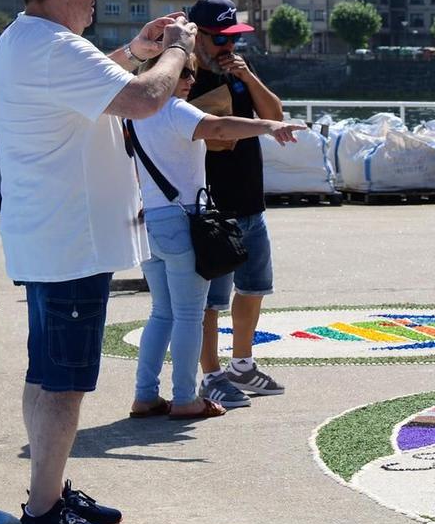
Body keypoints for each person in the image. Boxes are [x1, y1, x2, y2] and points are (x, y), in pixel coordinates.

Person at [0, 0, 200, 524]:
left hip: (53, 239)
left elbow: (100, 83)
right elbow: (142, 100)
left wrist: (136, 48)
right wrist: (178, 52)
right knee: (65, 381)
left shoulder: (26, 39)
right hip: (70, 242)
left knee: (45, 371)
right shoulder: (55, 48)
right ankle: (43, 512)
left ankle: (47, 491)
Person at [125, 58, 305, 421]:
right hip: (181, 222)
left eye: (191, 72)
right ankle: (185, 397)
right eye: (184, 72)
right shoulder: (175, 109)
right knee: (190, 314)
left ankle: (145, 395)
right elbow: (221, 128)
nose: (191, 80)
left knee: (161, 313)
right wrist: (270, 125)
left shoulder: (134, 114)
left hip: (149, 224)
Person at [186, 0, 289, 407]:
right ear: (197, 36)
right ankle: (210, 374)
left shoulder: (238, 74)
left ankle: (241, 366)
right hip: (211, 208)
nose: (228, 47)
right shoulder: (185, 78)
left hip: (250, 202)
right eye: (219, 38)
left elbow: (275, 114)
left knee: (254, 287)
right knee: (211, 300)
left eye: (234, 38)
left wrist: (250, 78)